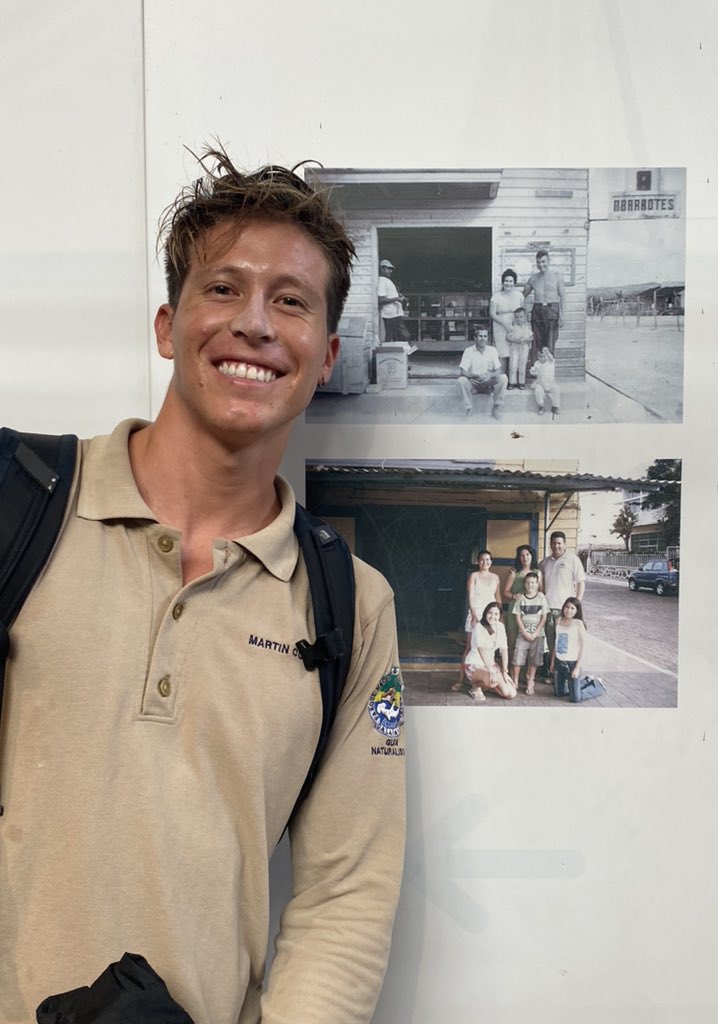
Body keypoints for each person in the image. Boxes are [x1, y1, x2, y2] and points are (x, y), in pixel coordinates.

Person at [0, 147, 405, 1024]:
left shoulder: (354, 606)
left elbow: (347, 893)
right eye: (223, 288)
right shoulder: (18, 505)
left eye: (289, 301)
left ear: (326, 352)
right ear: (165, 324)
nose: (254, 324)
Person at [453, 549, 501, 690]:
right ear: (478, 561)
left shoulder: (495, 577)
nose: (484, 562)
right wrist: (474, 615)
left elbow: (497, 597)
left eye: (487, 560)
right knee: (469, 647)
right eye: (482, 559)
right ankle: (461, 681)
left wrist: (500, 616)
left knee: (489, 647)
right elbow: (471, 596)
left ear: (491, 562)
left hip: (492, 616)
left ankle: (486, 677)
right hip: (476, 613)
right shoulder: (474, 576)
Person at [540, 530, 586, 672]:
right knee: (551, 642)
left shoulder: (573, 560)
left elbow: (580, 582)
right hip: (548, 609)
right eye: (553, 543)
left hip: (565, 610)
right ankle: (554, 673)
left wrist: (576, 604)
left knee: (566, 644)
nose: (556, 546)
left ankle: (569, 672)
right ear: (550, 544)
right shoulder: (544, 562)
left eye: (559, 543)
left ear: (565, 544)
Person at [463, 602, 517, 702]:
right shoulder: (479, 626)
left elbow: (504, 649)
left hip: (491, 666)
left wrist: (505, 671)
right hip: (474, 664)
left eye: (496, 614)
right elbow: (481, 649)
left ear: (500, 615)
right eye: (490, 613)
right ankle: (475, 687)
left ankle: (490, 683)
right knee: (493, 681)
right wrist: (491, 670)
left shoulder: (500, 626)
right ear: (485, 613)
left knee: (511, 693)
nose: (492, 616)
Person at [523, 249, 566, 363]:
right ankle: (536, 373)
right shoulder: (533, 278)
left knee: (550, 343)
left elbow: (562, 297)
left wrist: (563, 315)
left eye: (543, 261)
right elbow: (522, 296)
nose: (541, 265)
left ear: (549, 261)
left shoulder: (557, 277)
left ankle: (548, 374)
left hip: (552, 310)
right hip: (537, 310)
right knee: (536, 342)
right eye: (538, 262)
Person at [457, 325, 508, 419]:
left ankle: (496, 407)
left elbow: (498, 370)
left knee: (503, 378)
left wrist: (490, 376)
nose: (483, 339)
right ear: (475, 338)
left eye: (485, 336)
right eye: (480, 336)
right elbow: (463, 371)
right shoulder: (468, 351)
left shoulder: (492, 350)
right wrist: (471, 376)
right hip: (474, 384)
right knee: (461, 380)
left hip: (488, 384)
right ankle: (468, 409)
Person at [511, 572, 549, 696]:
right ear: (524, 584)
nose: (530, 585)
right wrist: (524, 632)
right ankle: (515, 681)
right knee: (518, 657)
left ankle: (530, 681)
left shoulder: (541, 598)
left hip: (538, 635)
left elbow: (544, 617)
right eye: (527, 582)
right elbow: (517, 617)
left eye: (533, 582)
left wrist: (536, 632)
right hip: (523, 634)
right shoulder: (521, 598)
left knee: (534, 659)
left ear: (537, 584)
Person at [502, 543, 542, 650]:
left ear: (532, 556)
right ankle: (510, 666)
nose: (525, 558)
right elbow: (505, 592)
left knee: (530, 641)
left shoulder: (537, 573)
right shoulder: (514, 573)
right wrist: (514, 595)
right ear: (519, 558)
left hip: (531, 611)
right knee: (512, 641)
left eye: (527, 554)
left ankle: (526, 667)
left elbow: (541, 592)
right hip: (515, 608)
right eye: (522, 555)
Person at [489, 269, 525, 386]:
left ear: (514, 282)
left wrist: (520, 327)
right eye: (506, 281)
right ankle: (502, 381)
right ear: (502, 282)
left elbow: (523, 313)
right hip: (500, 326)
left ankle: (512, 381)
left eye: (511, 281)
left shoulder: (519, 295)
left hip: (515, 326)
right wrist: (505, 325)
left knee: (514, 352)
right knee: (502, 353)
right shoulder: (496, 296)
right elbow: (492, 314)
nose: (508, 283)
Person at [550, 597, 587, 697]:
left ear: (577, 610)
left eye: (572, 608)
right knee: (559, 693)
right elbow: (556, 643)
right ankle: (575, 686)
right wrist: (553, 661)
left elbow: (583, 647)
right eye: (567, 607)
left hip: (572, 663)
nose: (569, 610)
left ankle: (592, 684)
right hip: (559, 662)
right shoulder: (558, 620)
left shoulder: (578, 624)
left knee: (575, 698)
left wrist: (577, 668)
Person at [377, 258, 411, 343]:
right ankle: (396, 353)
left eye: (391, 269)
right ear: (382, 269)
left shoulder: (386, 281)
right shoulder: (381, 281)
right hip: (390, 314)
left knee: (393, 336)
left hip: (394, 314)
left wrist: (399, 297)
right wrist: (397, 299)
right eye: (388, 268)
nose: (390, 271)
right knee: (404, 335)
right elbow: (381, 299)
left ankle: (397, 354)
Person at [506, 307, 534, 390]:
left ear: (525, 317)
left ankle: (521, 382)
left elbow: (531, 337)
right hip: (514, 347)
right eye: (517, 317)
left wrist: (526, 340)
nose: (519, 319)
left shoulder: (527, 327)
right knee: (513, 365)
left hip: (524, 347)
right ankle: (512, 382)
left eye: (521, 317)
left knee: (522, 364)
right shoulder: (512, 327)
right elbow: (508, 337)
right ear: (514, 318)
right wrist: (515, 340)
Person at [530, 345, 560, 416]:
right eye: (540, 356)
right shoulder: (537, 363)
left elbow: (551, 358)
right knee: (538, 391)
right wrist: (533, 371)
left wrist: (547, 352)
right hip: (541, 383)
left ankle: (555, 406)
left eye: (544, 356)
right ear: (537, 357)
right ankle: (541, 406)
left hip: (551, 382)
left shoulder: (550, 361)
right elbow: (534, 373)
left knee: (556, 390)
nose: (543, 358)